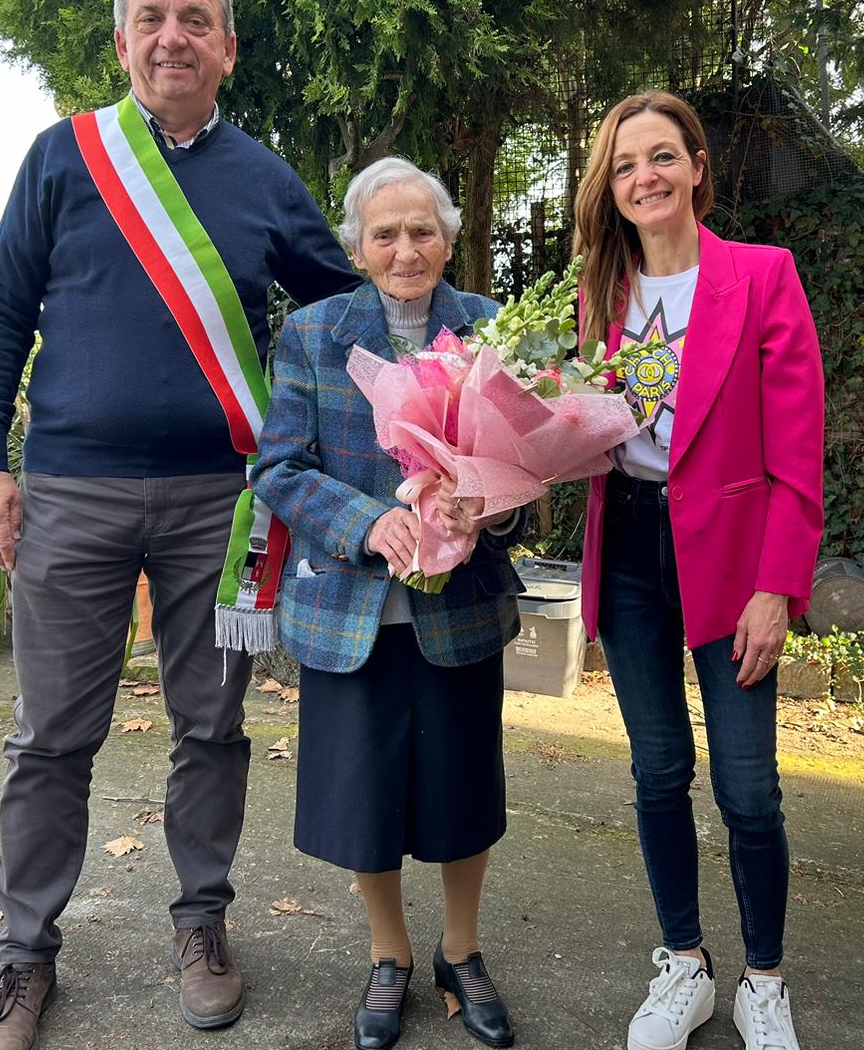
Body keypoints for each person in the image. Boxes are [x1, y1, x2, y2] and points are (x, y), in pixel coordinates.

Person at [0, 0, 360, 1049]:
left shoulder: (265, 179)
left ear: (227, 47)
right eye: (152, 19)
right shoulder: (63, 158)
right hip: (70, 496)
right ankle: (24, 954)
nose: (172, 38)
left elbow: (345, 316)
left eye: (194, 20)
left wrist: (442, 382)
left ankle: (201, 923)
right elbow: (0, 316)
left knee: (212, 728)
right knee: (50, 738)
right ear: (122, 39)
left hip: (221, 508)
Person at [252, 157, 528, 1050]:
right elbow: (279, 466)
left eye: (422, 231)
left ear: (447, 239)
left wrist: (491, 503)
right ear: (358, 247)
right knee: (363, 798)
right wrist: (367, 522)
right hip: (350, 608)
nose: (405, 249)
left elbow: (531, 463)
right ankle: (389, 954)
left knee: (462, 790)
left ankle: (462, 951)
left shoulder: (491, 328)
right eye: (385, 234)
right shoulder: (313, 332)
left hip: (460, 608)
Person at [573, 91, 825, 1050]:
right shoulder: (598, 293)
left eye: (662, 157)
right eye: (626, 165)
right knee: (658, 770)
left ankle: (764, 980)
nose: (646, 177)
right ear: (611, 187)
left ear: (696, 167)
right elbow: (573, 429)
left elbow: (797, 452)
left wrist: (776, 587)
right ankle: (685, 964)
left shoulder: (762, 276)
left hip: (732, 558)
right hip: (632, 549)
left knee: (749, 788)